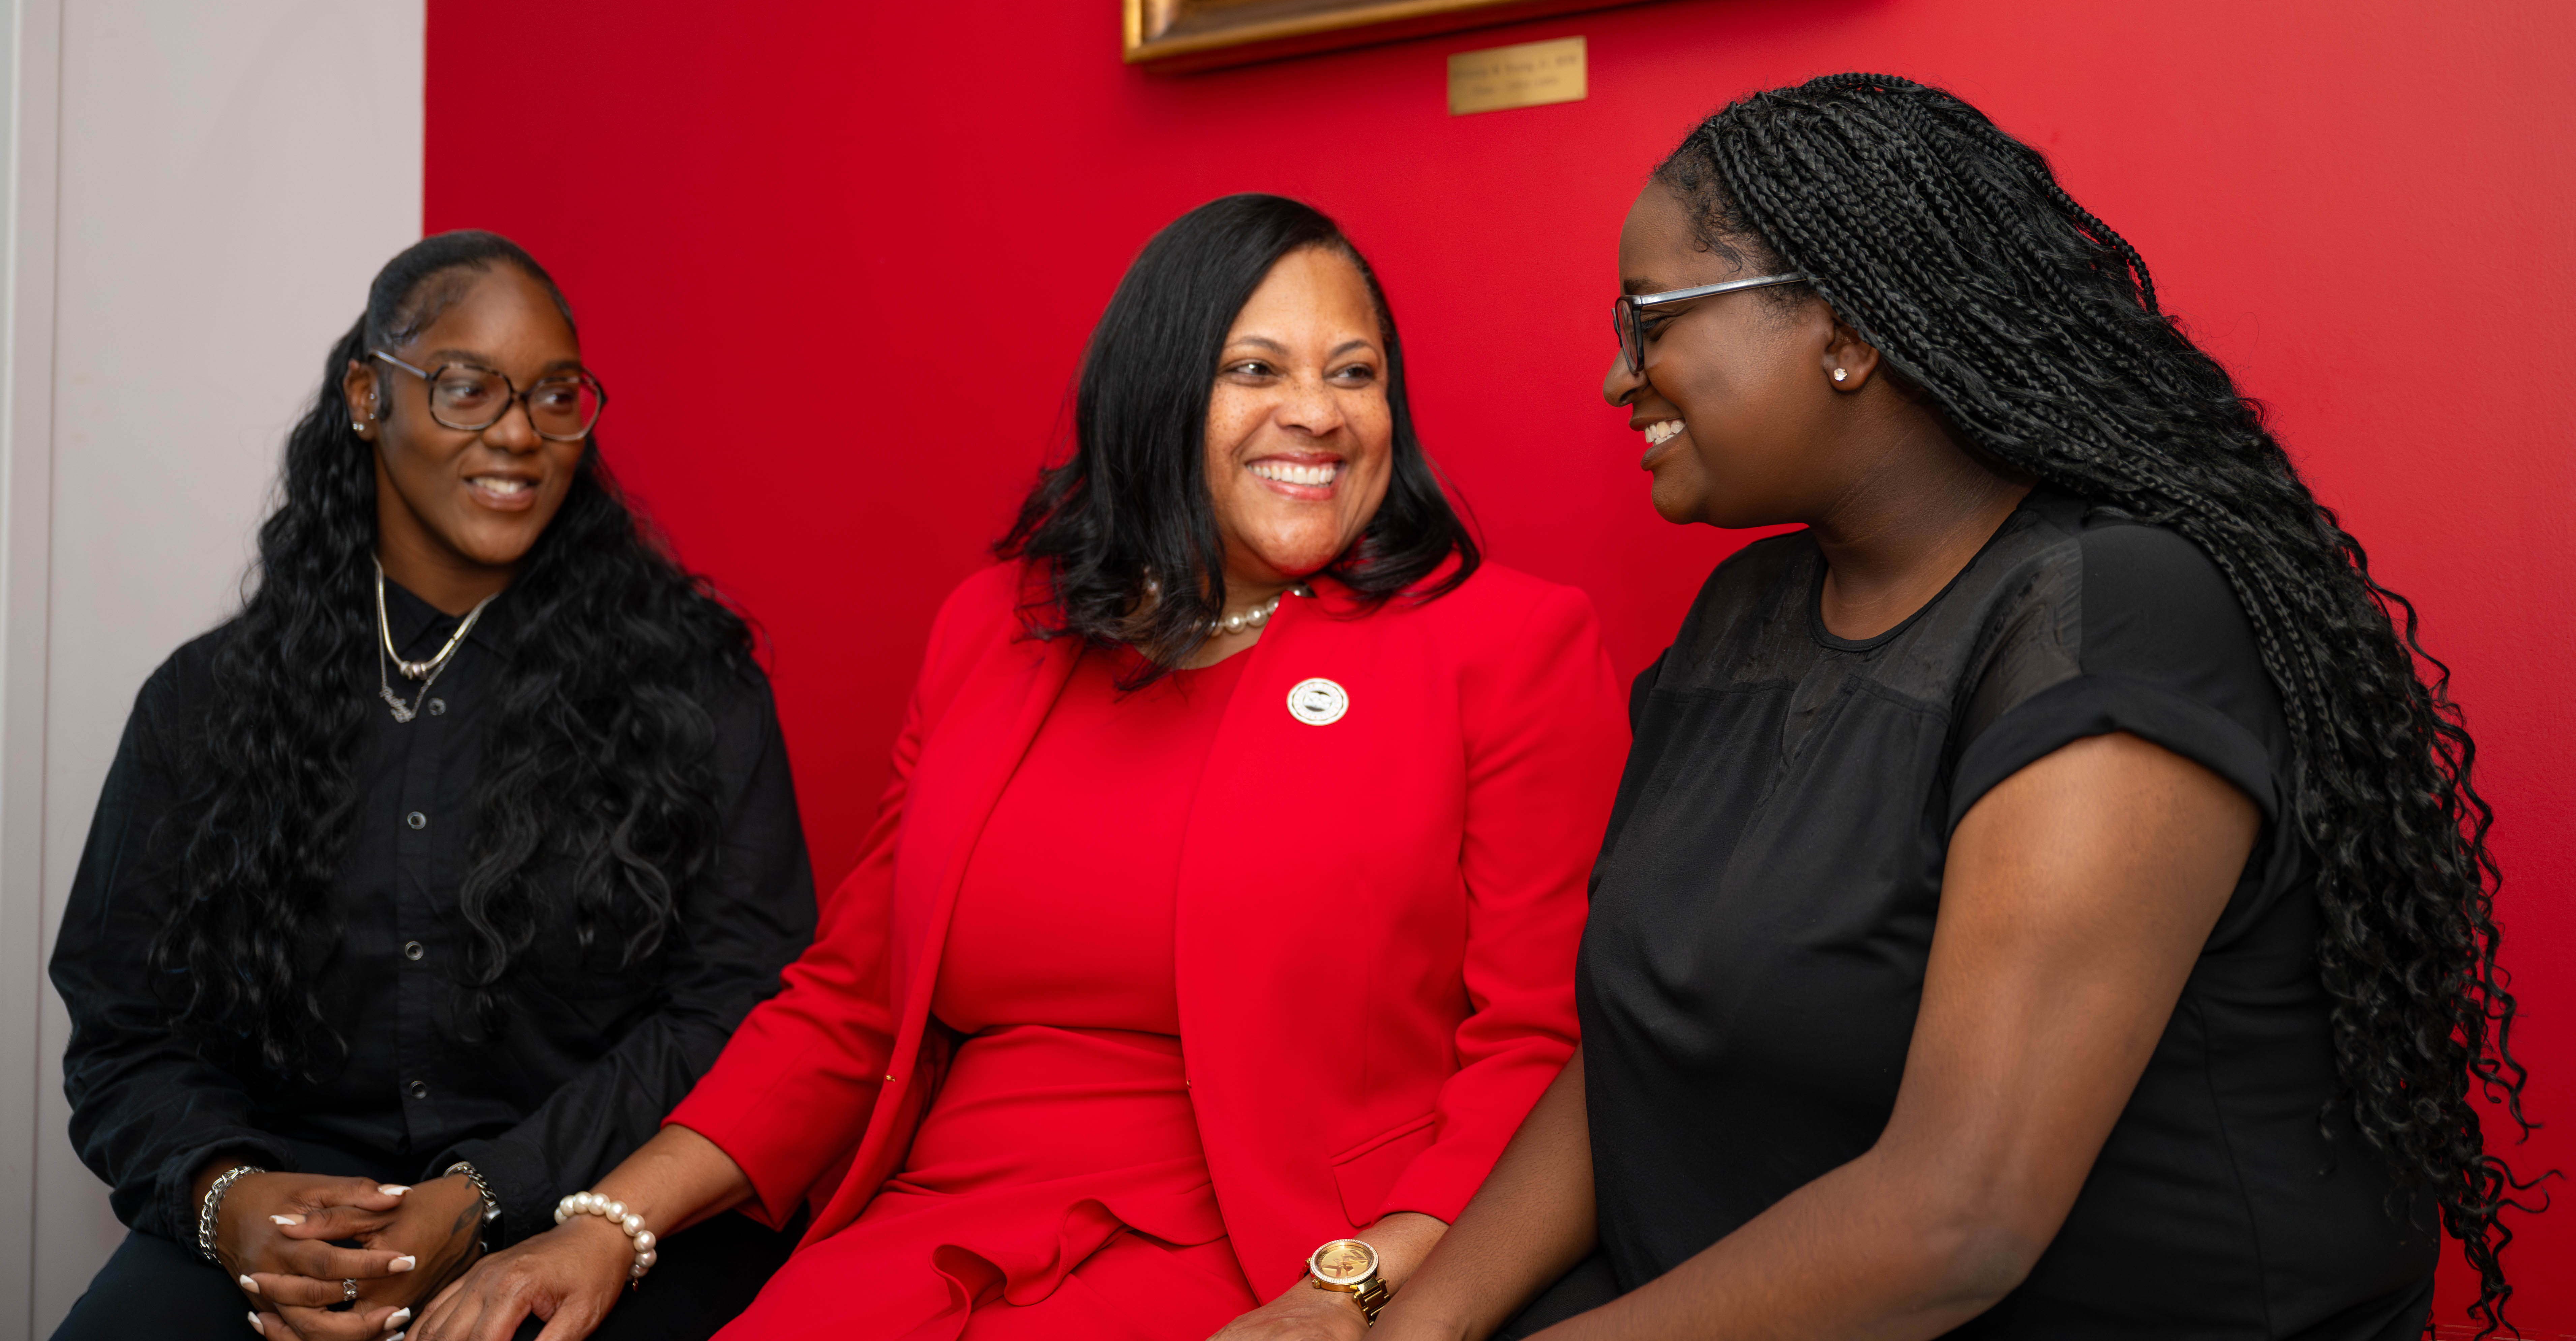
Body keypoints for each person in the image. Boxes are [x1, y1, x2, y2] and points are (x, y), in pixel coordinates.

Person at [1380, 75, 2533, 1341]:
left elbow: (1956, 1222)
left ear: (1845, 330)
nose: (1618, 377)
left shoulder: (2112, 618)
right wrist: (1414, 1323)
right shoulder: (1743, 618)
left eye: (1650, 317)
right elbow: (1638, 1046)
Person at [410, 194, 1628, 1341]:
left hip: (1272, 1256)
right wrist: (606, 1226)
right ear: (1151, 396)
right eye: (1254, 369)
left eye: (1352, 374)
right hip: (930, 1233)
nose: (1318, 412)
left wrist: (1364, 1287)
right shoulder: (997, 631)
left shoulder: (1502, 644)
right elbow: (848, 1000)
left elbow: (1539, 1041)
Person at [49, 232, 817, 1341]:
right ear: (370, 395)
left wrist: (489, 1192)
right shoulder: (203, 702)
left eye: (557, 396)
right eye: (467, 389)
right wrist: (230, 1201)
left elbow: (741, 999)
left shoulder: (692, 691)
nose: (518, 432)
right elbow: (124, 1027)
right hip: (296, 1223)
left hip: (593, 1204)